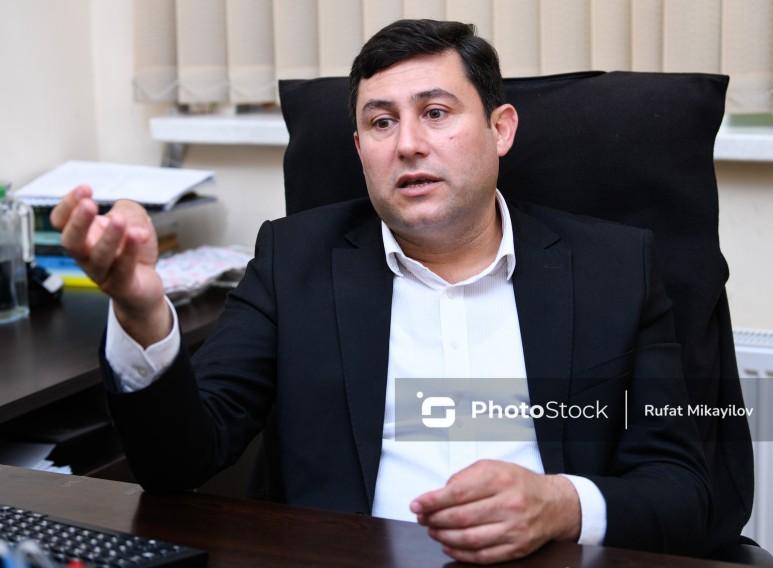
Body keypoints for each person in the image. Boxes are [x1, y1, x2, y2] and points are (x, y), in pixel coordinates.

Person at [51, 20, 712, 564]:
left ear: (500, 129)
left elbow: (686, 490)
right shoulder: (293, 261)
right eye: (382, 122)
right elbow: (180, 462)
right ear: (360, 146)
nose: (409, 145)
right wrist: (140, 308)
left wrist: (561, 505)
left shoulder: (613, 269)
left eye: (436, 113)